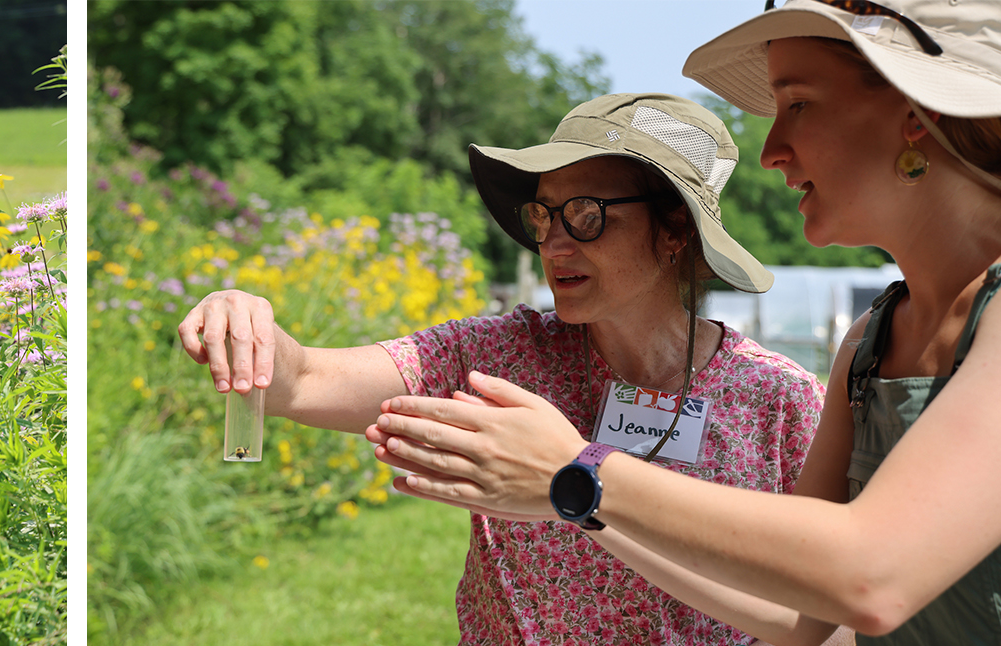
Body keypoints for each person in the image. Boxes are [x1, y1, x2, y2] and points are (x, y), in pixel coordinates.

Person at [369, 1, 1001, 643]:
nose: (771, 150)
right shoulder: (871, 340)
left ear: (915, 111)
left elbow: (873, 575)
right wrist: (578, 500)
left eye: (799, 104)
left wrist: (577, 468)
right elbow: (796, 611)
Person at [177, 93, 824, 644]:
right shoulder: (500, 358)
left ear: (675, 225)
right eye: (543, 215)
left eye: (586, 215)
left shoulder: (781, 403)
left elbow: (834, 615)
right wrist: (246, 317)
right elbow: (306, 381)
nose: (554, 243)